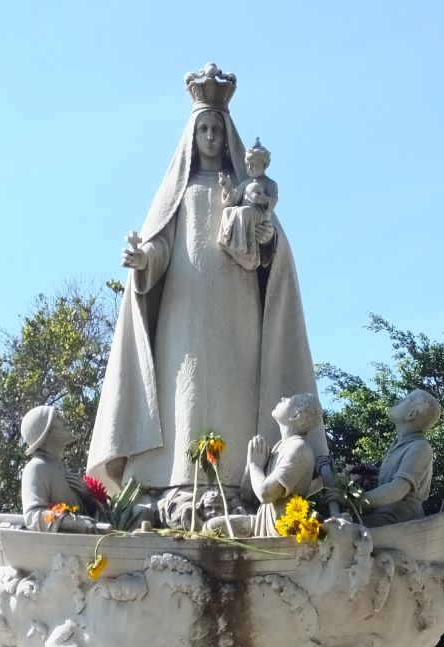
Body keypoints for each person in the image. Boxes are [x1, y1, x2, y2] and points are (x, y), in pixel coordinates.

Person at [86, 64, 328, 526]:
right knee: (185, 389)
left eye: (218, 129)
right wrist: (143, 262)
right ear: (192, 137)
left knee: (233, 385)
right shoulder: (178, 193)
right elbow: (159, 245)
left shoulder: (247, 192)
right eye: (205, 129)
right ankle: (177, 485)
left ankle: (236, 486)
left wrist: (258, 226)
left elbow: (271, 251)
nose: (213, 137)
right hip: (182, 311)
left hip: (237, 310)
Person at [360, 389, 441, 527]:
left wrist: (353, 501)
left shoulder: (419, 447)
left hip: (398, 523)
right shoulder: (401, 445)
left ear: (411, 414)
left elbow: (396, 490)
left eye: (405, 400)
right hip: (381, 518)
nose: (397, 401)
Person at [244, 394, 320, 537]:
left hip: (278, 531)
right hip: (262, 522)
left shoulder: (299, 448)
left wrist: (255, 466)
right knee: (213, 525)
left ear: (296, 415)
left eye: (289, 400)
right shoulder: (279, 446)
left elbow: (265, 494)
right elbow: (247, 495)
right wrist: (251, 466)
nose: (283, 398)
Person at [20, 405, 100, 533]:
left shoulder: (60, 468)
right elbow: (33, 516)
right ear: (46, 434)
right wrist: (74, 522)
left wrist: (87, 498)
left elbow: (87, 516)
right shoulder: (36, 468)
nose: (65, 421)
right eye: (57, 418)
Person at [218, 138, 278, 270]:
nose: (249, 168)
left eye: (253, 164)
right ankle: (227, 241)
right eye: (248, 164)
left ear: (264, 165)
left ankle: (243, 248)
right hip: (247, 212)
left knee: (243, 212)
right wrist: (227, 188)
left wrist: (263, 200)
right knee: (227, 211)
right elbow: (234, 199)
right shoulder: (246, 184)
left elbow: (273, 201)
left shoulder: (270, 184)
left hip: (260, 215)